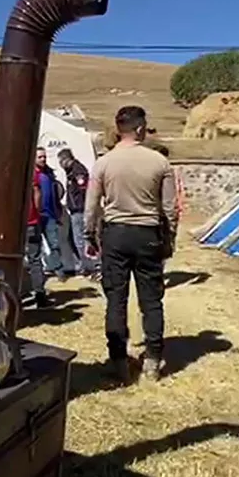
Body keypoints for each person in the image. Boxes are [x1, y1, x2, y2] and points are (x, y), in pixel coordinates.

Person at [84, 106, 177, 383]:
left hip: (115, 234)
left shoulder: (103, 163)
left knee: (116, 299)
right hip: (148, 233)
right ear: (140, 128)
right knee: (151, 300)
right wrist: (169, 239)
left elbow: (91, 208)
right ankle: (152, 360)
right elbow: (170, 209)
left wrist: (90, 234)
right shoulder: (160, 163)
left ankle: (118, 362)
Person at [58, 148, 99, 279]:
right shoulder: (71, 172)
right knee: (73, 239)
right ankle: (82, 265)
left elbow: (83, 189)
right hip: (75, 209)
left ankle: (89, 267)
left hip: (79, 209)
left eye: (61, 161)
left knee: (80, 240)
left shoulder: (77, 171)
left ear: (66, 160)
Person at [34, 148, 73, 279]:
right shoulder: (32, 175)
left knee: (54, 243)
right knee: (36, 246)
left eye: (44, 157)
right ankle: (39, 273)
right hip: (35, 216)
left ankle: (58, 269)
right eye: (40, 157)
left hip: (49, 214)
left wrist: (57, 210)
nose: (43, 159)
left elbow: (55, 192)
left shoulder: (49, 173)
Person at [24, 164, 49, 306]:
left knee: (12, 260)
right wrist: (36, 212)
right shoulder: (30, 171)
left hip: (13, 225)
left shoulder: (5, 167)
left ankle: (12, 296)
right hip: (31, 221)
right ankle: (40, 295)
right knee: (35, 259)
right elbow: (37, 193)